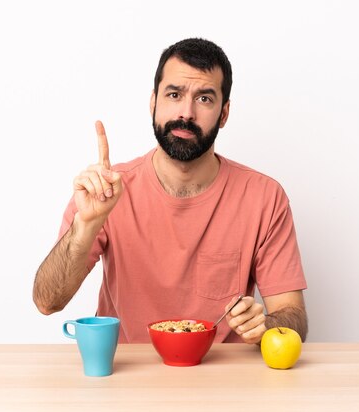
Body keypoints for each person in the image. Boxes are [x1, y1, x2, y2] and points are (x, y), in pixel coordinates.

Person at [33, 38, 308, 344]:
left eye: (204, 99)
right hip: (126, 376)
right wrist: (84, 226)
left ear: (224, 113)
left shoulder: (264, 197)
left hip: (224, 379)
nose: (186, 113)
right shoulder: (107, 191)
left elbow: (293, 317)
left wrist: (268, 324)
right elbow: (48, 301)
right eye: (174, 94)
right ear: (153, 103)